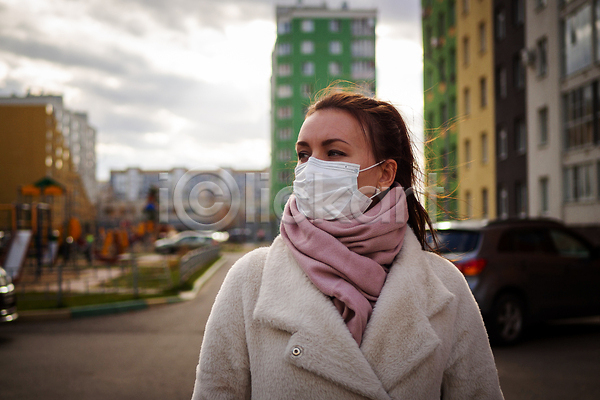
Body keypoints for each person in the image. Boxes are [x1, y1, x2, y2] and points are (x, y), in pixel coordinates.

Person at [191, 90, 504, 399]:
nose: (311, 168)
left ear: (385, 173)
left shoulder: (445, 286)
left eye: (334, 153)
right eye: (304, 154)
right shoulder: (250, 280)